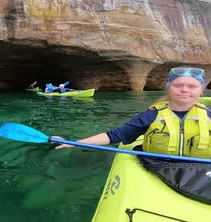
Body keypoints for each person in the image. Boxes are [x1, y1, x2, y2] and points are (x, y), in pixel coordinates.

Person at [55, 67, 211, 158]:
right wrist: (73, 143)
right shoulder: (151, 115)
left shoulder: (209, 116)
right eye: (178, 85)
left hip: (200, 170)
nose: (184, 90)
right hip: (158, 166)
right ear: (168, 87)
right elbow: (114, 136)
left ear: (201, 90)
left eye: (192, 86)